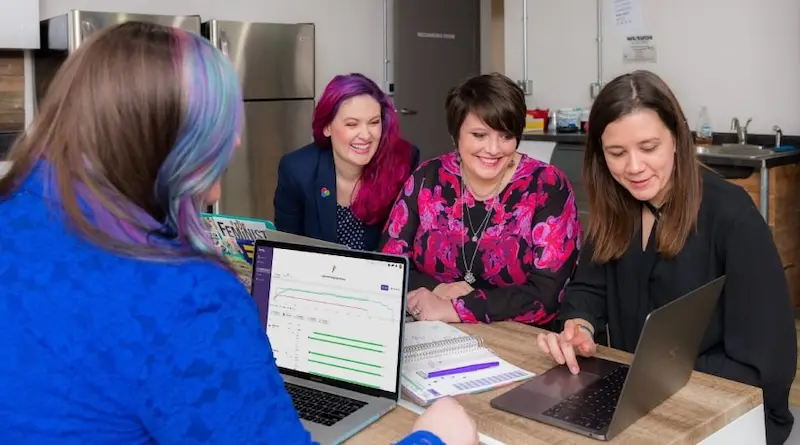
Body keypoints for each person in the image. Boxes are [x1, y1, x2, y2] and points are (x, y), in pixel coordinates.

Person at [0, 22, 478, 445]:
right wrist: (437, 437)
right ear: (168, 139)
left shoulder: (15, 211)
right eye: (220, 125)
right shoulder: (185, 293)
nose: (235, 141)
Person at [536, 70, 796, 444]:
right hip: (636, 400)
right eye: (617, 153)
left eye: (648, 147)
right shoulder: (617, 207)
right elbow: (588, 291)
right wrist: (580, 328)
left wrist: (655, 376)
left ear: (677, 138)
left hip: (724, 408)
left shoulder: (730, 214)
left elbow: (767, 363)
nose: (634, 167)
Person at [380, 73, 581, 325]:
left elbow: (549, 295)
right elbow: (388, 263)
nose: (494, 149)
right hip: (431, 330)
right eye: (479, 135)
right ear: (456, 134)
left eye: (506, 136)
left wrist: (458, 309)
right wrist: (437, 289)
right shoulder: (427, 178)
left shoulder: (547, 186)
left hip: (519, 339)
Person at [274, 73, 420, 251]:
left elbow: (410, 245)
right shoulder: (296, 170)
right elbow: (285, 249)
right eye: (352, 124)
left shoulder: (403, 160)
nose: (366, 135)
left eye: (374, 122)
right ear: (327, 127)